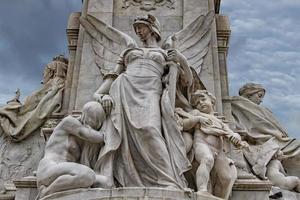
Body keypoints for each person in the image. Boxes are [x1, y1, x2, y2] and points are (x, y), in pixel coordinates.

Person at [93, 14, 192, 189]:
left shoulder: (165, 52)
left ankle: (169, 180)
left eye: (142, 26)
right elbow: (112, 77)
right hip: (124, 88)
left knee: (150, 130)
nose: (138, 31)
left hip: (151, 91)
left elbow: (187, 82)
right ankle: (124, 178)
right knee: (122, 136)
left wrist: (181, 59)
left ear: (153, 28)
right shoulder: (129, 51)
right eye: (136, 28)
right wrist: (101, 95)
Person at [176, 90, 248, 199]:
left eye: (203, 99)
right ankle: (202, 190)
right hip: (201, 144)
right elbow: (184, 125)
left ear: (213, 102)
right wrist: (198, 119)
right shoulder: (196, 113)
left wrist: (236, 137)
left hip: (218, 151)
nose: (200, 103)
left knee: (226, 177)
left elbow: (231, 133)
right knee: (207, 159)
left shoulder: (220, 122)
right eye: (197, 103)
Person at [36, 101, 109, 198]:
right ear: (86, 115)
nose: (94, 124)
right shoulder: (69, 122)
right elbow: (92, 135)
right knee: (87, 175)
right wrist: (112, 133)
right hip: (50, 167)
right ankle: (45, 192)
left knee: (105, 182)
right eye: (93, 119)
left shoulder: (83, 140)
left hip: (67, 171)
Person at [231, 83, 300, 179]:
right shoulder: (240, 104)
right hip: (263, 140)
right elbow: (252, 127)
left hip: (273, 138)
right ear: (249, 94)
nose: (261, 100)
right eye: (259, 96)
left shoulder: (257, 108)